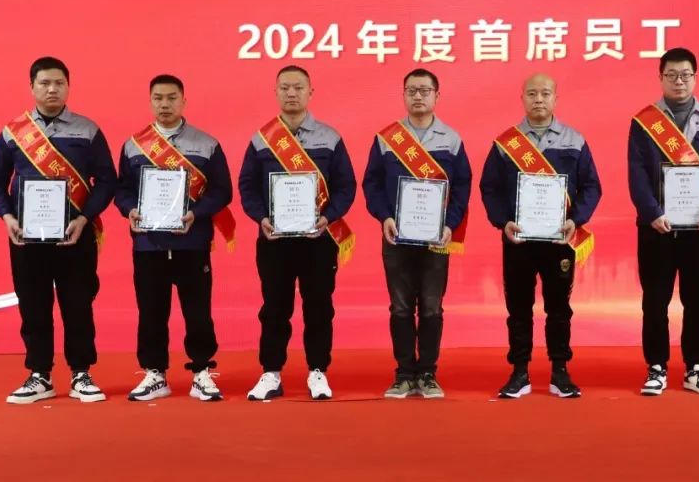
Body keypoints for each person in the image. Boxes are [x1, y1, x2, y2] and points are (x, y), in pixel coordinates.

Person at [0, 56, 116, 404]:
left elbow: (107, 179)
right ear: (32, 87)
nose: (52, 89)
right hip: (26, 237)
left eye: (59, 83)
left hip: (75, 235)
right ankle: (39, 374)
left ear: (68, 86)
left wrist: (85, 217)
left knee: (78, 304)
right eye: (44, 83)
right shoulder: (14, 132)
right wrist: (6, 216)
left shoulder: (87, 130)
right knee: (33, 305)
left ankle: (81, 373)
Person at [238, 65, 357, 400]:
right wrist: (261, 217)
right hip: (274, 239)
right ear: (276, 92)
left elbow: (346, 186)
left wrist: (328, 217)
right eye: (285, 87)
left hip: (317, 239)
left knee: (319, 306)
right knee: (274, 307)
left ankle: (318, 371)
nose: (292, 93)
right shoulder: (262, 139)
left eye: (299, 87)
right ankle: (271, 372)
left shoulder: (330, 138)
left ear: (310, 92)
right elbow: (247, 186)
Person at [480, 73, 601, 399]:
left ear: (555, 98)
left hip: (559, 240)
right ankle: (519, 372)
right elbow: (489, 187)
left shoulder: (574, 140)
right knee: (518, 308)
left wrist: (576, 220)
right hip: (518, 240)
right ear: (522, 98)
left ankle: (560, 371)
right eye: (532, 93)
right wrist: (502, 221)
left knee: (559, 308)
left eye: (545, 93)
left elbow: (591, 186)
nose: (538, 99)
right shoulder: (506, 143)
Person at [115, 74, 234, 401]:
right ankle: (155, 373)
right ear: (150, 101)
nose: (164, 104)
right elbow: (122, 189)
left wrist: (196, 212)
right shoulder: (133, 145)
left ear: (184, 101)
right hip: (148, 244)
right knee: (150, 311)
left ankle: (202, 371)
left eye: (171, 98)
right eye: (158, 98)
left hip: (192, 242)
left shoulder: (206, 143)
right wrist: (130, 210)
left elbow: (222, 190)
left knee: (198, 310)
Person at [627, 47, 699, 396]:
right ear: (660, 78)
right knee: (655, 301)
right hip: (657, 228)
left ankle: (695, 367)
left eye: (685, 74)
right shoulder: (645, 121)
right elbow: (638, 173)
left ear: (695, 77)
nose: (679, 81)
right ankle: (656, 366)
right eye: (671, 75)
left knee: (697, 299)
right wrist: (652, 212)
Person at [362, 69, 471, 399]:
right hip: (396, 236)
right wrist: (384, 217)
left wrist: (450, 224)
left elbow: (463, 187)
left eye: (425, 90)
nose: (418, 96)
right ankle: (404, 374)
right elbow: (371, 184)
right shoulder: (386, 139)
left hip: (437, 237)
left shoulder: (451, 139)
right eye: (411, 90)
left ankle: (428, 374)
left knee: (432, 308)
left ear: (437, 95)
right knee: (400, 307)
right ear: (404, 95)